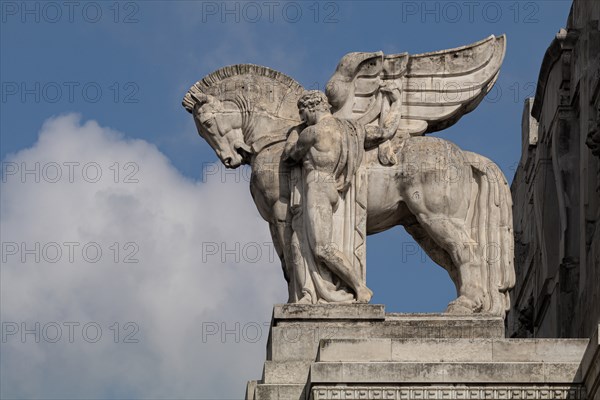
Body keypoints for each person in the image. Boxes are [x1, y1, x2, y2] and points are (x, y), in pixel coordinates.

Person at [283, 84, 401, 303]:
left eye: (302, 112)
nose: (302, 117)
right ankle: (352, 286)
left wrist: (293, 134)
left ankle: (359, 287)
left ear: (312, 107)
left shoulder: (311, 133)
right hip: (331, 187)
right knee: (313, 245)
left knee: (322, 249)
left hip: (316, 187)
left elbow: (290, 155)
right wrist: (396, 102)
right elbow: (386, 132)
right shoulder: (352, 130)